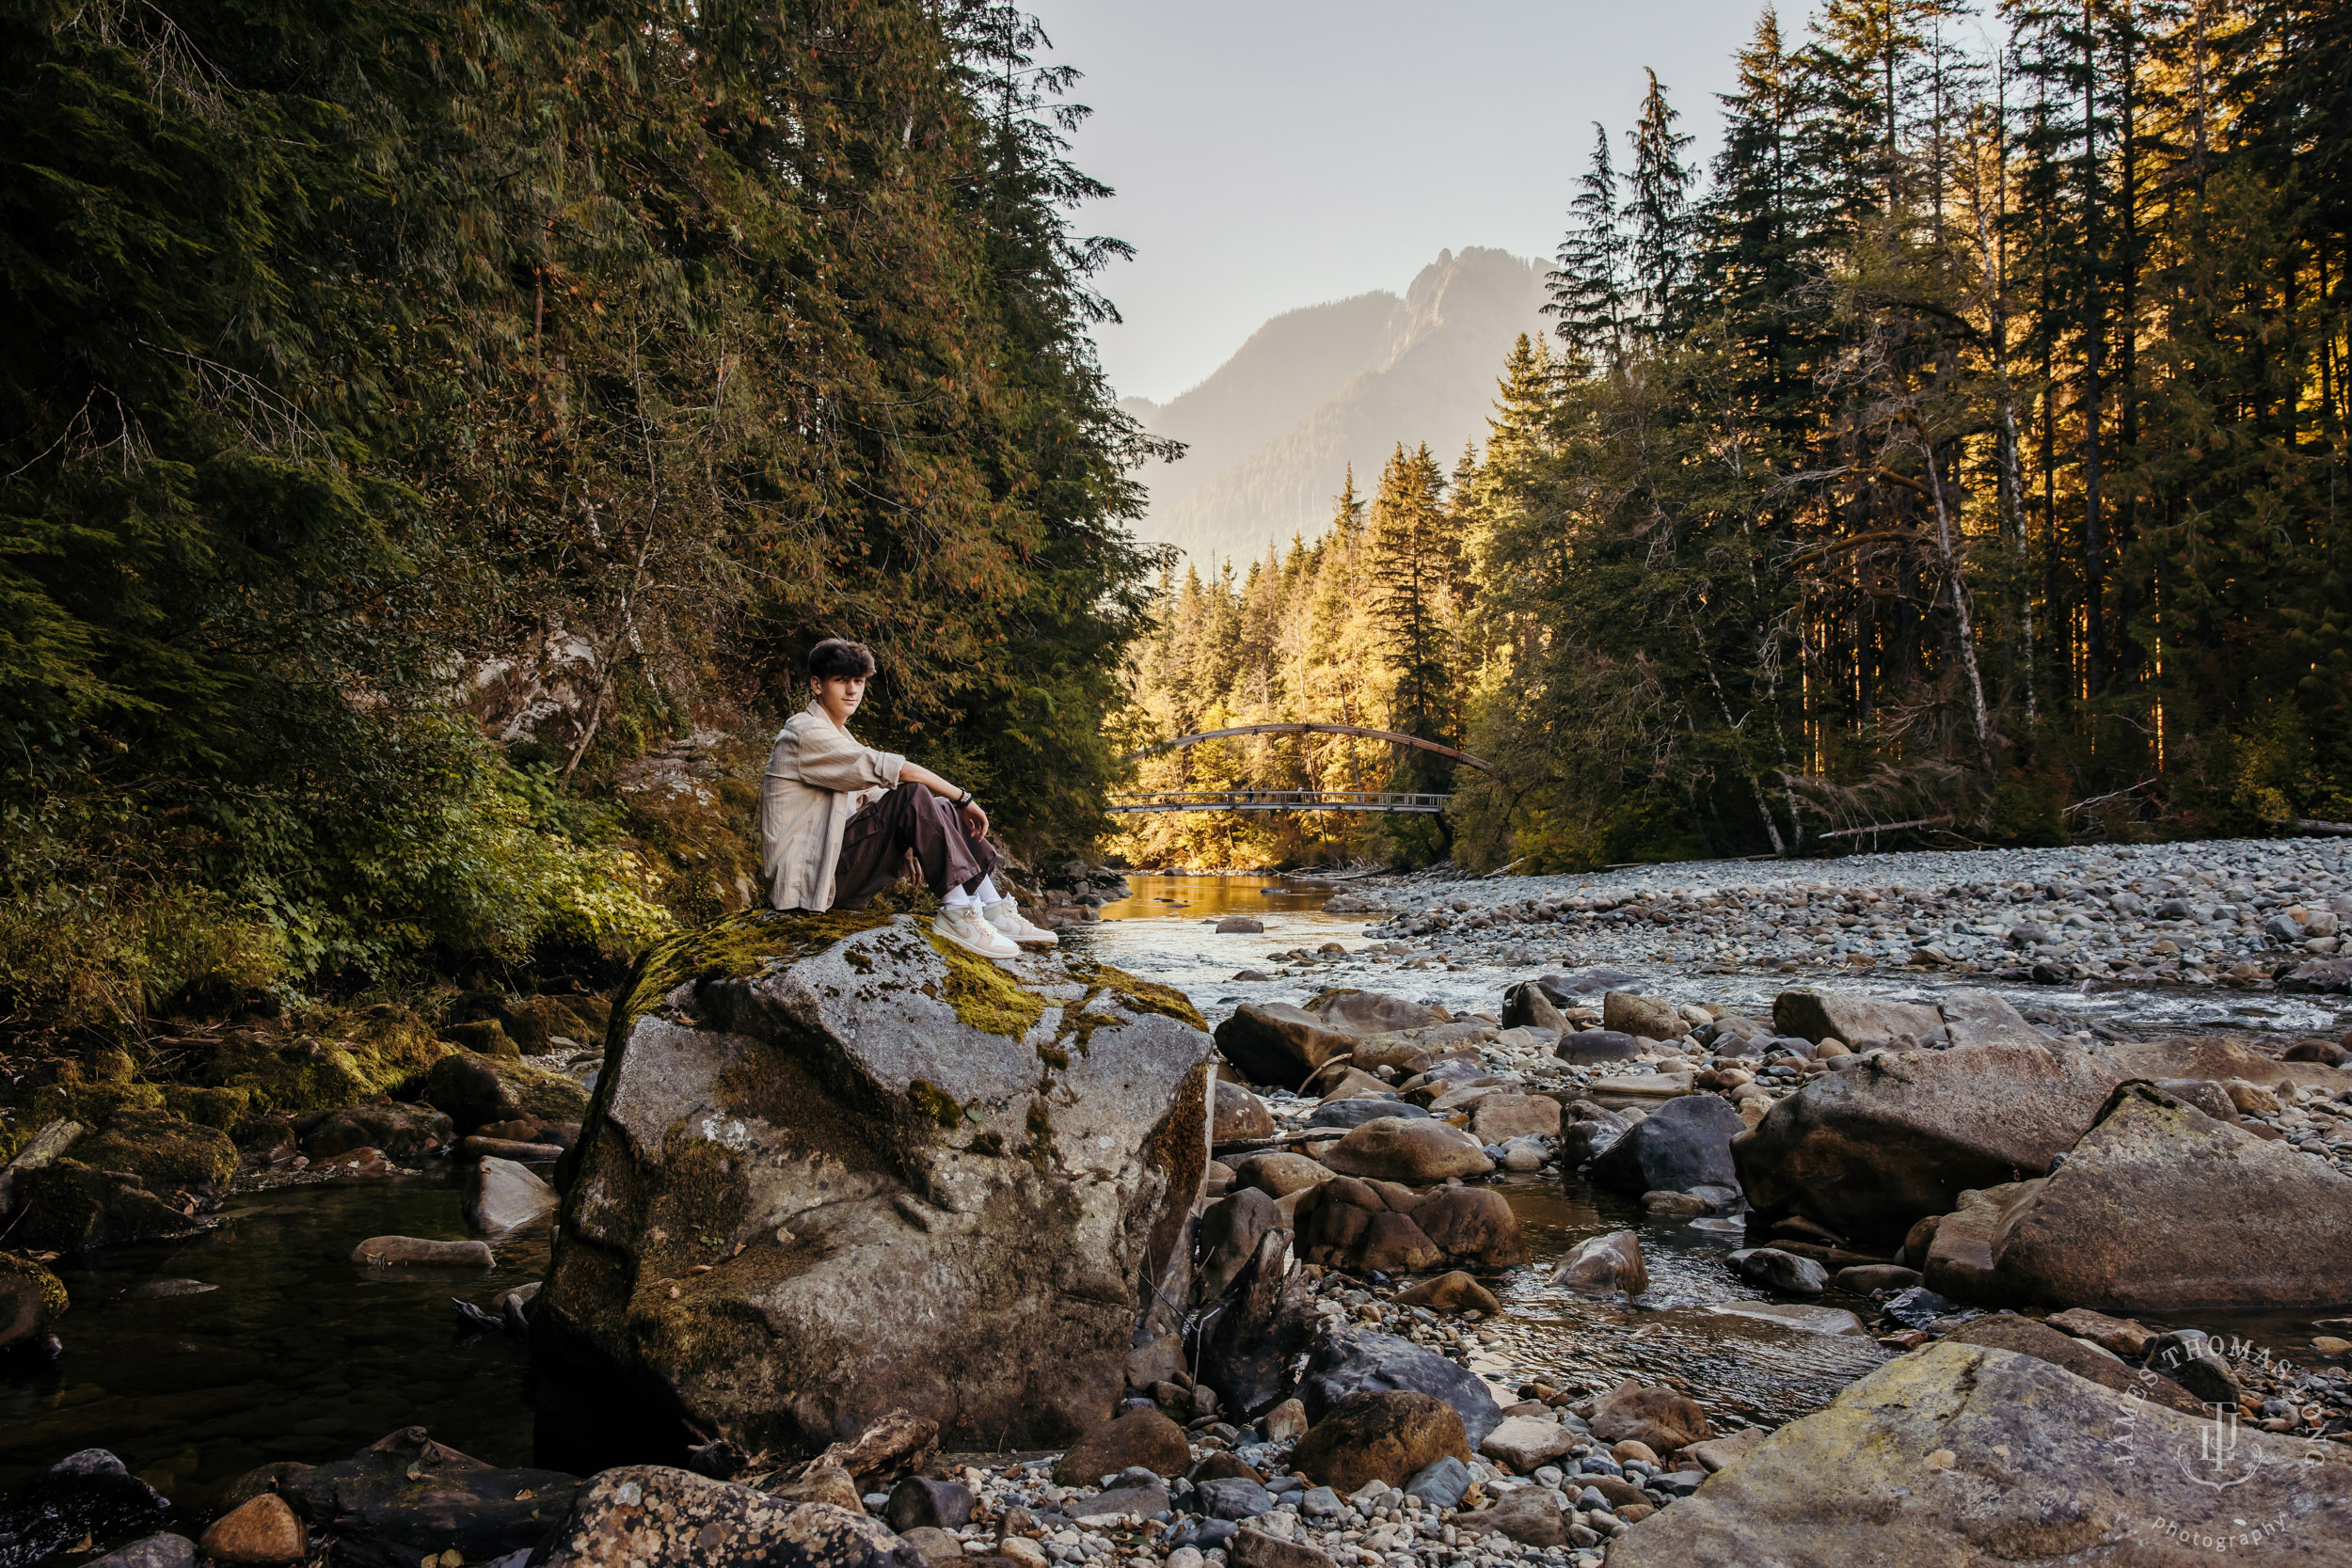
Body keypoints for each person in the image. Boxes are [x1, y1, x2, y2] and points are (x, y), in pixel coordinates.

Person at [758, 638, 1057, 961]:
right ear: (817, 685)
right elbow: (898, 776)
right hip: (810, 884)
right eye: (841, 680)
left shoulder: (840, 738)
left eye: (858, 681)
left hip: (836, 871)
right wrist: (962, 797)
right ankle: (957, 913)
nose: (852, 690)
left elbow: (879, 802)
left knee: (939, 808)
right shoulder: (804, 733)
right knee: (919, 794)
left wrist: (917, 834)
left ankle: (993, 908)